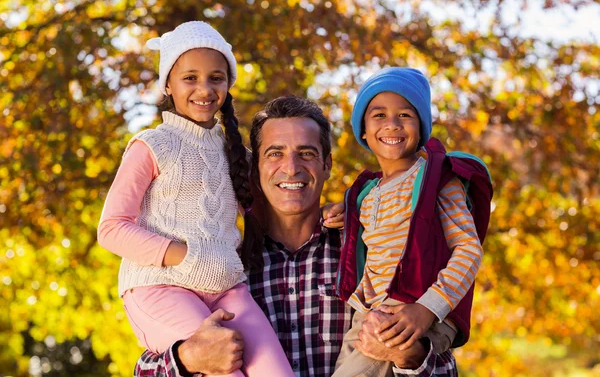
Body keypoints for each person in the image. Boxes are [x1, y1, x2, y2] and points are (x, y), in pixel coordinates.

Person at [134, 95, 459, 377]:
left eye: (306, 153)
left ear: (327, 164)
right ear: (254, 168)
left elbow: (446, 368)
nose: (291, 168)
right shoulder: (222, 266)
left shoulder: (373, 253)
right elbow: (144, 368)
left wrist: (406, 354)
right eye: (275, 153)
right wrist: (188, 359)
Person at [97, 21, 294, 377]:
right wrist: (186, 255)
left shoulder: (236, 152)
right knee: (222, 370)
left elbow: (276, 207)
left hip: (225, 287)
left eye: (216, 78)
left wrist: (333, 211)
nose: (204, 89)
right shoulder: (152, 146)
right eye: (190, 78)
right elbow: (111, 228)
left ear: (228, 85)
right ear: (168, 85)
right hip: (159, 286)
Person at [333, 67, 484, 377]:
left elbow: (469, 248)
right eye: (379, 115)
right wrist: (338, 213)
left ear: (421, 127)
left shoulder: (437, 180)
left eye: (405, 115)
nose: (392, 124)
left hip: (412, 307)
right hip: (367, 310)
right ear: (362, 130)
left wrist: (427, 309)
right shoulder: (367, 193)